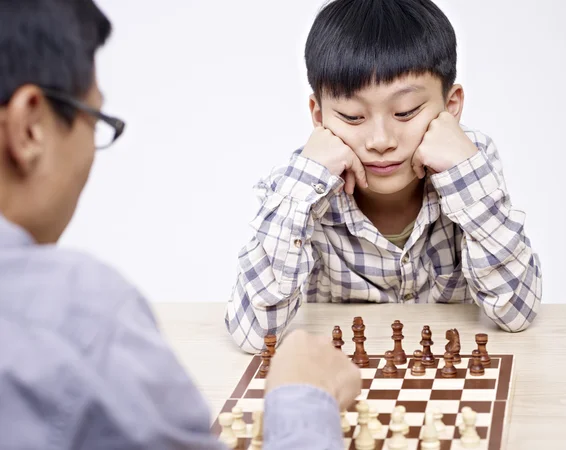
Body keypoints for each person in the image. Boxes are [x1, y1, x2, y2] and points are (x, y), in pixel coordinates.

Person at [0, 0, 361, 448]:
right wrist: (303, 402)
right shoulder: (78, 316)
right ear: (30, 128)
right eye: (97, 120)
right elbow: (254, 330)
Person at [225, 0, 543, 354]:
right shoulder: (299, 187)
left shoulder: (469, 161)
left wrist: (465, 173)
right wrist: (303, 187)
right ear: (319, 116)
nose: (381, 141)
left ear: (450, 106)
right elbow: (253, 334)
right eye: (352, 116)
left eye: (405, 112)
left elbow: (518, 311)